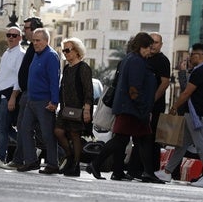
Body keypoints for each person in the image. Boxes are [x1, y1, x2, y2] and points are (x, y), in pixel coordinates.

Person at [87, 32, 163, 183]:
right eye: (148, 48)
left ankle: (138, 172)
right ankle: (96, 164)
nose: (150, 51)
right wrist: (142, 107)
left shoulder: (130, 59)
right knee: (123, 140)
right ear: (142, 47)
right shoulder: (136, 61)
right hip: (132, 109)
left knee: (141, 140)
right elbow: (134, 88)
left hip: (130, 108)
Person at [155, 43, 203, 187]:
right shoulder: (196, 70)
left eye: (192, 54)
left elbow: (187, 92)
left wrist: (174, 107)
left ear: (200, 56)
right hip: (193, 113)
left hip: (195, 114)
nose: (190, 57)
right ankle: (167, 172)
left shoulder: (199, 71)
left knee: (201, 144)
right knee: (182, 144)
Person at [2, 16, 44, 170]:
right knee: (25, 127)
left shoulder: (39, 48)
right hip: (27, 93)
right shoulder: (32, 47)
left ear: (34, 29)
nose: (24, 31)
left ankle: (23, 159)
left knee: (27, 127)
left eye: (26, 28)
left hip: (31, 94)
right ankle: (25, 159)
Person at [17, 28, 61, 174]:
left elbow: (55, 81)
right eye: (33, 40)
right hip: (32, 100)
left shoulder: (51, 56)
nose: (34, 43)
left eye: (38, 40)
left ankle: (53, 164)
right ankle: (31, 161)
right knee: (25, 129)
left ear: (46, 41)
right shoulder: (37, 55)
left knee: (47, 134)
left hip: (45, 102)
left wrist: (54, 101)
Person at [127, 32, 170, 178]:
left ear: (161, 45)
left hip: (154, 106)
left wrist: (152, 100)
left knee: (150, 138)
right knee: (139, 137)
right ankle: (137, 170)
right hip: (141, 104)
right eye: (152, 42)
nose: (153, 45)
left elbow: (165, 83)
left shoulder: (162, 60)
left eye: (157, 42)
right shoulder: (141, 58)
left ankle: (149, 170)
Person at [0, 26, 25, 168]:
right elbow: (1, 75)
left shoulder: (20, 54)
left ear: (20, 38)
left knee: (2, 128)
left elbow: (18, 78)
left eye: (14, 35)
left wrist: (13, 97)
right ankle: (29, 147)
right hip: (0, 94)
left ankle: (0, 157)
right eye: (9, 35)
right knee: (4, 127)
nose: (10, 37)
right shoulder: (7, 53)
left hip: (9, 94)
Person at [55, 37, 94, 176]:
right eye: (63, 50)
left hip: (78, 108)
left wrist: (87, 109)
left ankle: (76, 165)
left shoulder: (84, 68)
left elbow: (88, 90)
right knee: (58, 131)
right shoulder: (66, 68)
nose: (65, 53)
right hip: (65, 108)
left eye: (68, 50)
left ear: (77, 51)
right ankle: (70, 156)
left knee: (75, 135)